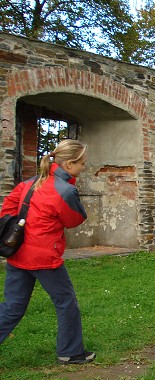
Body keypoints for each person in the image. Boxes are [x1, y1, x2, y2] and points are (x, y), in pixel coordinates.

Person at [0, 139, 96, 364]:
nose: (84, 167)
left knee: (13, 306)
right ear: (69, 164)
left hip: (18, 253)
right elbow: (74, 220)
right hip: (44, 256)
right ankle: (70, 351)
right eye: (82, 163)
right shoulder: (66, 190)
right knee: (66, 302)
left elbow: (8, 210)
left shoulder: (29, 183)